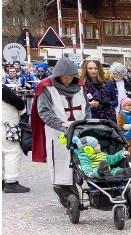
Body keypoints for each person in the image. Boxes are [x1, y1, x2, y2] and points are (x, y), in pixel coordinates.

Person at [32, 56, 90, 206]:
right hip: (57, 133)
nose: (69, 80)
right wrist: (61, 125)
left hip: (80, 130)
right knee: (62, 164)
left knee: (84, 160)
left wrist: (86, 124)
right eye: (65, 77)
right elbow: (44, 111)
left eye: (71, 77)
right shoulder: (46, 87)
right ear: (58, 76)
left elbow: (87, 108)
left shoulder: (80, 87)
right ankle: (70, 197)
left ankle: (83, 192)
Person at [2, 83, 30, 193]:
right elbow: (18, 102)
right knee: (13, 152)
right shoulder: (2, 89)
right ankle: (11, 183)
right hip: (7, 125)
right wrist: (23, 111)